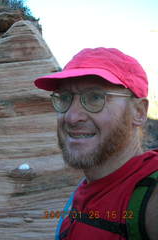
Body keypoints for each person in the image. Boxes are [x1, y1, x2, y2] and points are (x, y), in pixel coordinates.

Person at [34, 47, 158, 240]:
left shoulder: (150, 196)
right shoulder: (86, 189)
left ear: (139, 112)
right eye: (65, 98)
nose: (72, 117)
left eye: (95, 97)